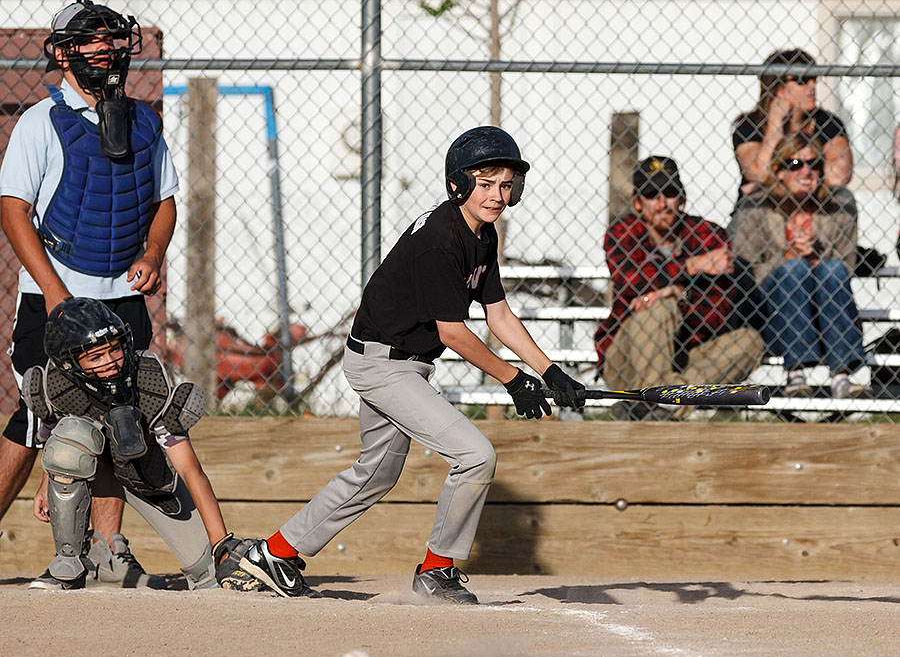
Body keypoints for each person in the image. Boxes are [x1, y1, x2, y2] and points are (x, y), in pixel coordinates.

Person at [238, 126, 585, 603]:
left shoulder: (481, 236)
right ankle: (436, 570)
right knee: (475, 456)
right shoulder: (443, 239)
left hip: (402, 362)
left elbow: (498, 314)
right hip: (383, 364)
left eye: (506, 184)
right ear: (457, 185)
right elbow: (454, 332)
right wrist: (513, 379)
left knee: (375, 474)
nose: (497, 195)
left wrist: (550, 373)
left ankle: (273, 553)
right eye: (485, 183)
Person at [0, 0, 176, 585]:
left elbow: (164, 202)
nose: (103, 49)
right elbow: (14, 211)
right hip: (55, 295)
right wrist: (52, 291)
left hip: (120, 297)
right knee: (34, 419)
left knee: (118, 419)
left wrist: (153, 251)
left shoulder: (145, 120)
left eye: (111, 38)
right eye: (89, 39)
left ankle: (107, 551)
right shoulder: (40, 122)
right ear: (65, 53)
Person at [24, 297, 260, 591]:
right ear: (68, 364)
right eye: (95, 357)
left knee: (211, 578)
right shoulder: (58, 385)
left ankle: (207, 562)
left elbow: (190, 469)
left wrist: (221, 546)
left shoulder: (147, 381)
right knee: (72, 438)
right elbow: (57, 441)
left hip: (145, 474)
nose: (111, 361)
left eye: (114, 349)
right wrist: (46, 484)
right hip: (96, 469)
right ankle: (67, 564)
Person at [594, 156, 764, 420]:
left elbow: (719, 310)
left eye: (670, 193)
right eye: (652, 195)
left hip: (687, 353)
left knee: (751, 342)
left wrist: (678, 294)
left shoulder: (708, 234)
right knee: (657, 309)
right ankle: (662, 400)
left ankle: (664, 404)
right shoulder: (622, 232)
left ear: (682, 198)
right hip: (627, 358)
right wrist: (691, 267)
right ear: (638, 203)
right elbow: (629, 281)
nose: (662, 203)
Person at [733, 135, 868, 399]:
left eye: (814, 164)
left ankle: (841, 377)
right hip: (772, 317)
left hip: (825, 313)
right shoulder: (755, 207)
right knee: (794, 269)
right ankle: (796, 373)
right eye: (795, 163)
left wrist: (815, 260)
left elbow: (846, 266)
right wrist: (787, 256)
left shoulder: (838, 207)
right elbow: (744, 271)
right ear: (780, 171)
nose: (806, 171)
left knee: (831, 269)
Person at [732, 49, 853, 203]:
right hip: (764, 211)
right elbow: (759, 173)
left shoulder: (827, 122)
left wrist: (784, 173)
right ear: (778, 88)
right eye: (801, 80)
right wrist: (775, 127)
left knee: (844, 199)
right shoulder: (749, 126)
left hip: (814, 208)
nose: (811, 86)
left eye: (813, 79)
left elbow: (839, 175)